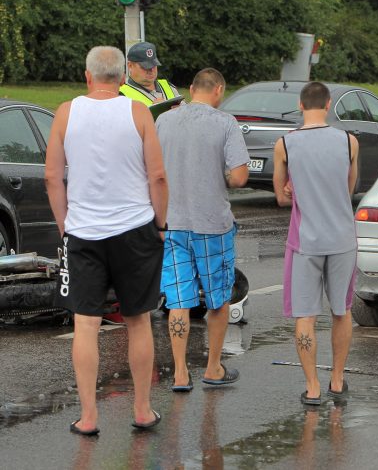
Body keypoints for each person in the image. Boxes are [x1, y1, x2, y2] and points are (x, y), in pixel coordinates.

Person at [45, 46, 168, 435]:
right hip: (134, 228)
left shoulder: (66, 112)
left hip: (83, 231)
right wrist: (160, 223)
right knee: (138, 320)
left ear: (87, 76)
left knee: (86, 323)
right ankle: (142, 410)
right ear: (121, 77)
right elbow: (158, 177)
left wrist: (65, 225)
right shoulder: (138, 112)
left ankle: (89, 416)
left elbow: (51, 176)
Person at [156, 67, 249, 391]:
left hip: (173, 224)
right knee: (218, 299)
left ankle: (180, 373)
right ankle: (213, 368)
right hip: (212, 225)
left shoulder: (164, 121)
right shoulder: (225, 123)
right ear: (218, 90)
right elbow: (238, 177)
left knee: (178, 300)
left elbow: (152, 171)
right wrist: (218, 175)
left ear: (192, 88)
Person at [273, 81, 359, 406]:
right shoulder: (349, 142)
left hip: (305, 241)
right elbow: (348, 188)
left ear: (300, 105)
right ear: (328, 104)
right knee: (342, 310)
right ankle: (337, 379)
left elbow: (281, 197)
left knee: (305, 316)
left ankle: (312, 387)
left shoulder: (285, 144)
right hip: (342, 238)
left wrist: (294, 189)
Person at [119, 41, 181, 105]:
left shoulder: (168, 86)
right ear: (130, 66)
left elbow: (186, 113)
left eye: (153, 65)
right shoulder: (121, 95)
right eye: (145, 67)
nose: (151, 70)